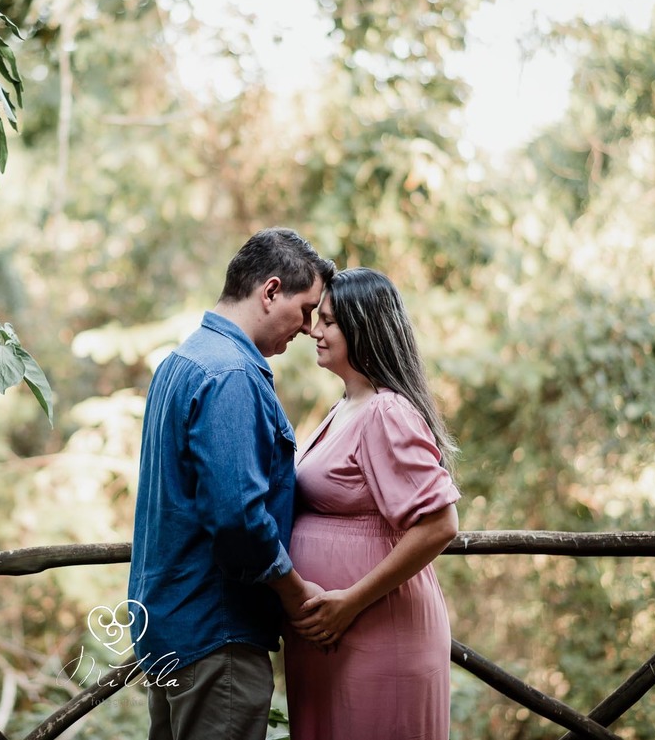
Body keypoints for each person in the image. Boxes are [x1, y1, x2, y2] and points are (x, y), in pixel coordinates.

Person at [127, 227, 337, 740]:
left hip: (170, 628)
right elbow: (239, 518)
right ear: (270, 291)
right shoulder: (233, 375)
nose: (308, 328)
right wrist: (295, 593)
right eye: (306, 310)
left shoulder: (181, 361)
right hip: (215, 635)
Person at [284, 266, 462, 739]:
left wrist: (350, 602)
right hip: (337, 634)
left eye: (328, 321)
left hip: (377, 630)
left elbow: (441, 523)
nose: (314, 331)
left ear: (362, 328)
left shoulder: (387, 411)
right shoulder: (345, 407)